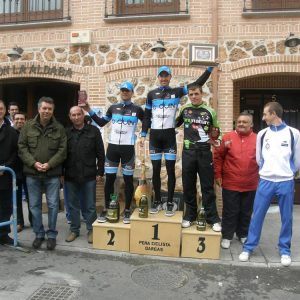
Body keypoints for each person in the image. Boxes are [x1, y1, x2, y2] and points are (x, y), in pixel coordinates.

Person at [140, 66, 213, 217]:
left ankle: (170, 202)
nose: (164, 78)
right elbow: (147, 116)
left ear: (170, 77)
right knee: (155, 170)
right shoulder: (151, 94)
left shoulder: (177, 92)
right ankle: (157, 201)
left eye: (166, 76)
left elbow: (197, 83)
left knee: (170, 170)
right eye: (161, 76)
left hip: (169, 137)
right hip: (154, 136)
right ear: (158, 77)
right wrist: (142, 134)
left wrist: (209, 69)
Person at [239, 102, 300, 267]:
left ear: (273, 114)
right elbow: (260, 159)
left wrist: (288, 173)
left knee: (286, 217)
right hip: (265, 180)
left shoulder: (294, 133)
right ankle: (249, 247)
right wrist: (267, 171)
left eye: (265, 114)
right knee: (257, 215)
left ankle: (285, 250)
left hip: (285, 181)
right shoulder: (262, 134)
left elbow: (296, 160)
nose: (263, 117)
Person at [83, 82, 144, 224]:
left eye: (127, 91)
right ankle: (107, 208)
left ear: (132, 93)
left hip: (128, 148)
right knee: (109, 180)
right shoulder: (113, 108)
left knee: (128, 180)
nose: (124, 93)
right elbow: (101, 122)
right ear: (120, 92)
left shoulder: (137, 109)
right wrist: (89, 110)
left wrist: (143, 134)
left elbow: (147, 120)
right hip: (112, 148)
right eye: (122, 90)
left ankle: (127, 210)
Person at [18, 97, 67, 250]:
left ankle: (51, 235)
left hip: (52, 174)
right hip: (32, 174)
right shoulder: (28, 126)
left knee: (53, 205)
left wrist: (49, 164)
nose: (46, 111)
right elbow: (22, 147)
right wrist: (34, 163)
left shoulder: (59, 128)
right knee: (34, 205)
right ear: (39, 109)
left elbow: (63, 150)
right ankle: (39, 234)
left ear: (53, 111)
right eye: (44, 108)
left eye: (49, 109)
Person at [176, 85, 221, 231]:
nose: (194, 96)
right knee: (188, 185)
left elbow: (216, 132)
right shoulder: (184, 109)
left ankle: (212, 218)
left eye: (196, 94)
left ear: (202, 94)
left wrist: (216, 139)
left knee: (207, 186)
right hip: (188, 152)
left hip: (204, 152)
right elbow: (173, 124)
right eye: (191, 94)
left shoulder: (210, 111)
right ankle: (190, 216)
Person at [214, 112, 259, 248]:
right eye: (239, 121)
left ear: (251, 125)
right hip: (231, 182)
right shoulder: (228, 137)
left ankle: (243, 234)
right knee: (229, 211)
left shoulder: (258, 139)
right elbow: (218, 157)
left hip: (251, 183)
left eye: (245, 122)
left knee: (246, 211)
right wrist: (218, 175)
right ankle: (227, 236)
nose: (241, 124)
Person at [64, 106, 105, 244]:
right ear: (70, 117)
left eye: (78, 114)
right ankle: (74, 230)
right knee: (72, 204)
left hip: (89, 174)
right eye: (73, 115)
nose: (76, 117)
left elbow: (100, 153)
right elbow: (62, 154)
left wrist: (100, 171)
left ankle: (91, 229)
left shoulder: (94, 131)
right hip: (70, 174)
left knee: (90, 205)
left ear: (83, 115)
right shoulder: (66, 132)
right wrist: (61, 173)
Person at [0, 100, 18, 245]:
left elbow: (15, 153)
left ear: (5, 111)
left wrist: (4, 167)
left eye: (1, 108)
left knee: (6, 206)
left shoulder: (11, 132)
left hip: (5, 175)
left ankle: (4, 234)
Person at [13, 112, 32, 232]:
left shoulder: (29, 133)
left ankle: (33, 221)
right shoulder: (9, 133)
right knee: (17, 198)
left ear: (25, 120)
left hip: (29, 170)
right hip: (15, 171)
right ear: (13, 120)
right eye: (17, 119)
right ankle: (20, 222)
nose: (20, 121)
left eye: (22, 119)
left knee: (32, 198)